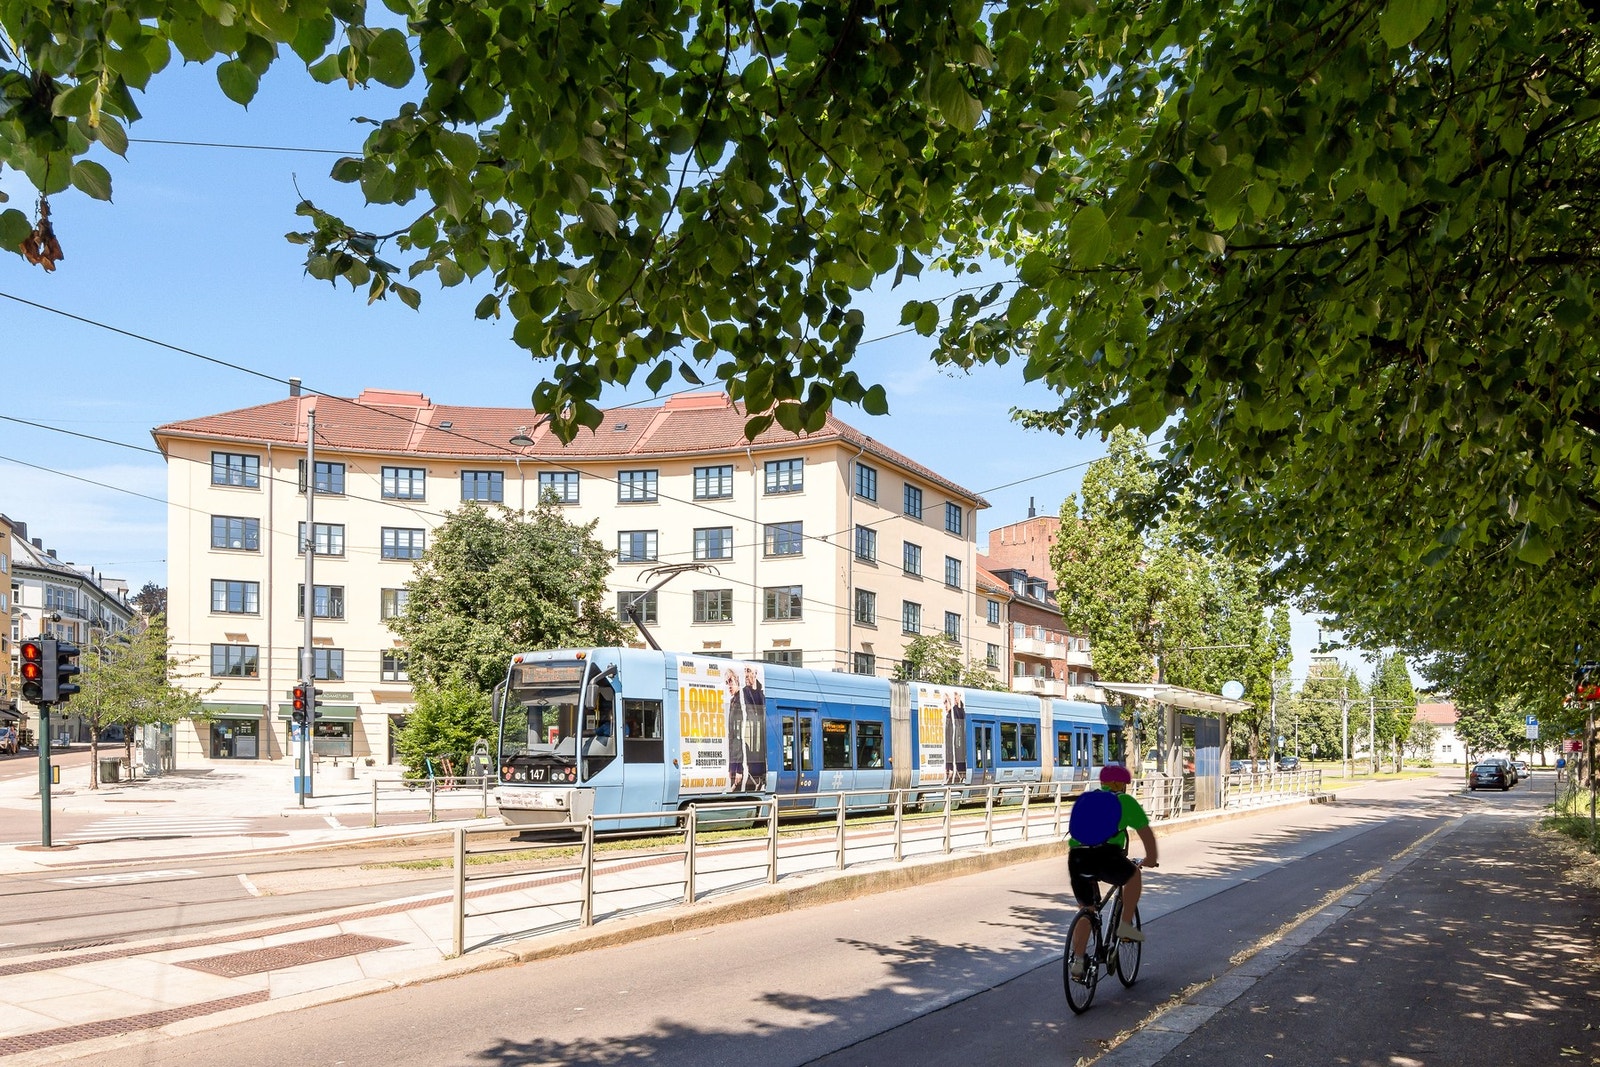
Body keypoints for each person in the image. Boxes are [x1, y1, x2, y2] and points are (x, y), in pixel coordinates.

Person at [1067, 763, 1159, 982]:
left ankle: (1078, 963)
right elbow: (1146, 834)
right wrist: (1151, 859)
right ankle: (1125, 927)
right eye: (1125, 783)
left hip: (1077, 858)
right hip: (1106, 857)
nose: (1126, 787)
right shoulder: (1124, 801)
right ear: (1118, 783)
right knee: (1133, 877)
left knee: (1087, 910)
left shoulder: (1087, 799)